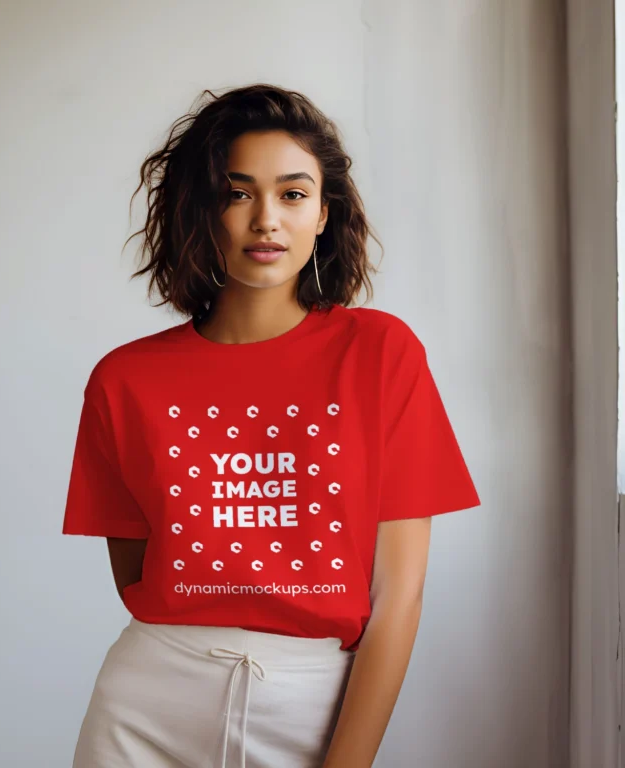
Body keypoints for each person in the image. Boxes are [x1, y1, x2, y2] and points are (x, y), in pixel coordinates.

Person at [62, 83, 481, 768]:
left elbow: (397, 595)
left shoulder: (380, 353)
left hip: (313, 704)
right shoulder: (124, 379)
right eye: (236, 193)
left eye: (292, 194)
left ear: (323, 213)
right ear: (202, 211)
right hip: (145, 707)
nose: (266, 220)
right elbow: (139, 574)